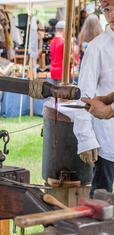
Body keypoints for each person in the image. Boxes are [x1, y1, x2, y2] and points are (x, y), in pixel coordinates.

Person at [72, 0, 114, 197]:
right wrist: (86, 139)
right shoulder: (97, 48)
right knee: (101, 206)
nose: (111, 15)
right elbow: (83, 97)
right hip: (108, 142)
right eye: (107, 10)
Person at [49, 20, 71, 85]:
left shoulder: (52, 41)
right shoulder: (64, 42)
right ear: (64, 30)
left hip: (53, 71)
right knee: (62, 94)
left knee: (55, 93)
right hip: (62, 72)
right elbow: (69, 58)